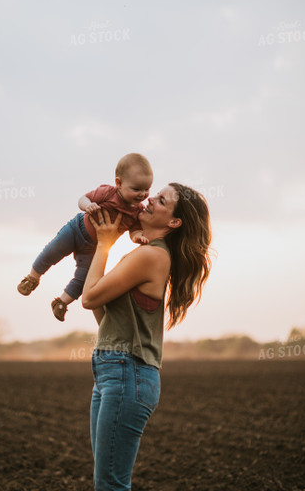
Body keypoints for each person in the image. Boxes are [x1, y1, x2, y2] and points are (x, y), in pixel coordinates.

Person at [82, 182, 212, 491]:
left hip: (128, 373)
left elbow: (88, 298)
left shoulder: (151, 257)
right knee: (107, 482)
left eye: (162, 200)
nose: (149, 199)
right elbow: (102, 313)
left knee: (110, 485)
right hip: (111, 370)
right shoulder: (145, 254)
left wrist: (103, 244)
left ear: (174, 222)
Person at [17, 153, 153, 321]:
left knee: (84, 278)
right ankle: (32, 278)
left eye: (147, 189)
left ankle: (62, 302)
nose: (143, 194)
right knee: (52, 251)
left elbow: (134, 231)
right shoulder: (107, 192)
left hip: (94, 248)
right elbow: (83, 199)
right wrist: (88, 206)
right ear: (118, 183)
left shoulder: (137, 211)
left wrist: (138, 237)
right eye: (136, 189)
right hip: (76, 229)